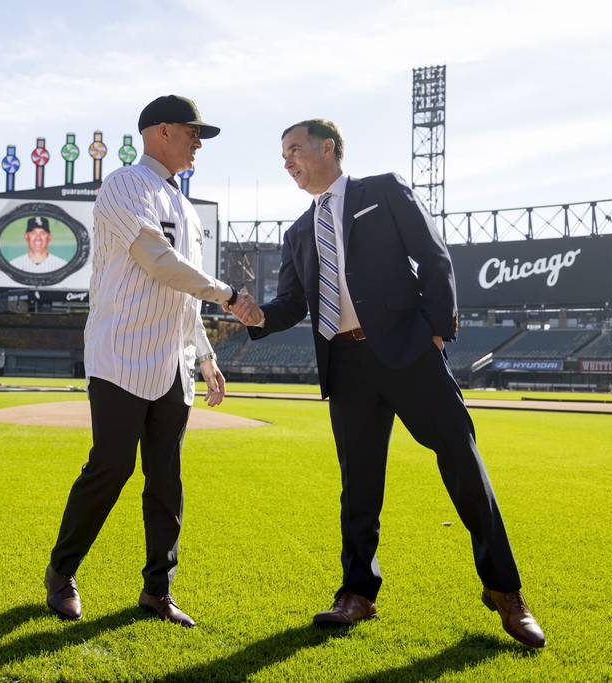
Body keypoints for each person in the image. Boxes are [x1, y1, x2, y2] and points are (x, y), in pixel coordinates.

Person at [228, 119, 546, 648]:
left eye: (295, 150)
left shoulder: (383, 191)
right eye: (283, 155)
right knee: (359, 486)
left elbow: (434, 255)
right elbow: (289, 305)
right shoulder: (298, 233)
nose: (288, 162)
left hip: (409, 353)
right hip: (346, 365)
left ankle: (505, 591)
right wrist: (255, 314)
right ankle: (357, 593)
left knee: (463, 463)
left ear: (328, 148)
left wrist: (438, 331)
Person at [45, 95, 241, 628]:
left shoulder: (184, 205)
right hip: (121, 351)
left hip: (172, 362)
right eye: (192, 131)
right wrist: (230, 295)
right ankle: (62, 573)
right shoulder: (125, 184)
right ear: (160, 132)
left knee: (166, 479)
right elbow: (157, 261)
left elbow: (182, 293)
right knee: (111, 466)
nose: (199, 142)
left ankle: (157, 591)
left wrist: (205, 357)